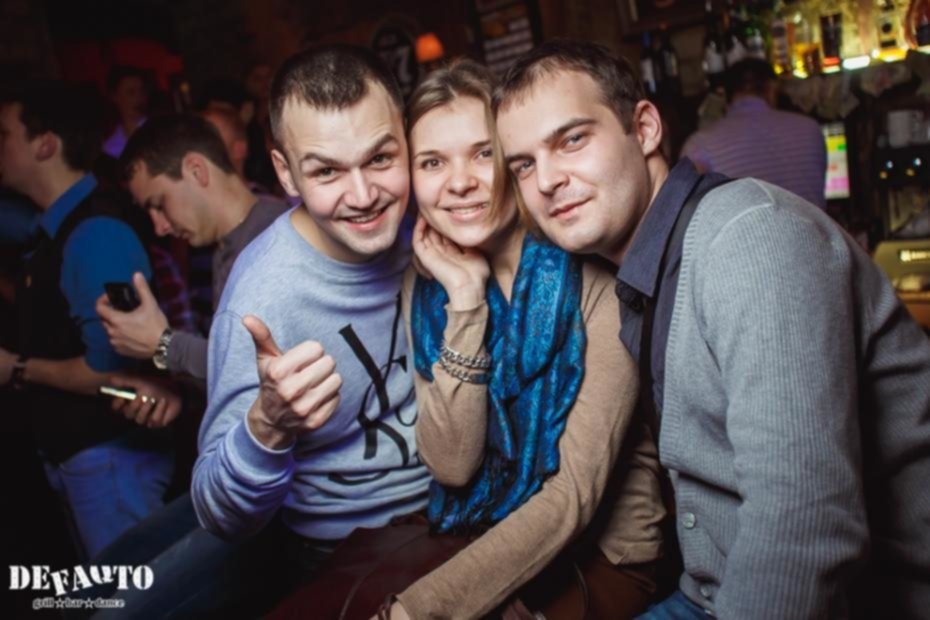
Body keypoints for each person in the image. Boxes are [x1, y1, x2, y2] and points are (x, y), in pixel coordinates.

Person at [494, 39, 930, 619]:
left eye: (571, 139)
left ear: (644, 128)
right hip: (713, 594)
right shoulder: (635, 273)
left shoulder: (749, 237)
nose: (546, 179)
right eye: (523, 165)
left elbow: (804, 524)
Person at [384, 59, 664, 620]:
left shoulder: (594, 269)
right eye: (433, 162)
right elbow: (453, 465)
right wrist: (466, 299)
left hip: (605, 560)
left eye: (482, 153)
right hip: (479, 534)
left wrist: (415, 613)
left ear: (514, 160)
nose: (459, 182)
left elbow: (573, 497)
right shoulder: (429, 281)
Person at [0, 82, 172, 561]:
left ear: (45, 145)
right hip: (87, 454)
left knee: (132, 595)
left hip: (111, 456)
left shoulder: (95, 233)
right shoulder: (56, 226)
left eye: (4, 134)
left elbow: (113, 369)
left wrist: (15, 368)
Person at [95, 113, 288, 384]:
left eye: (159, 204)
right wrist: (174, 397)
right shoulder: (229, 246)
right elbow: (238, 387)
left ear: (196, 170)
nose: (159, 227)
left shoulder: (273, 238)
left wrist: (165, 345)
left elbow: (262, 368)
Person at [680, 58, 827, 209]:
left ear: (725, 96)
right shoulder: (810, 128)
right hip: (811, 225)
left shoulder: (699, 145)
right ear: (771, 89)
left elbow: (691, 210)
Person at [102, 66, 149, 159]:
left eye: (142, 91)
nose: (139, 98)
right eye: (131, 92)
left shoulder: (160, 131)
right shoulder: (110, 148)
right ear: (114, 97)